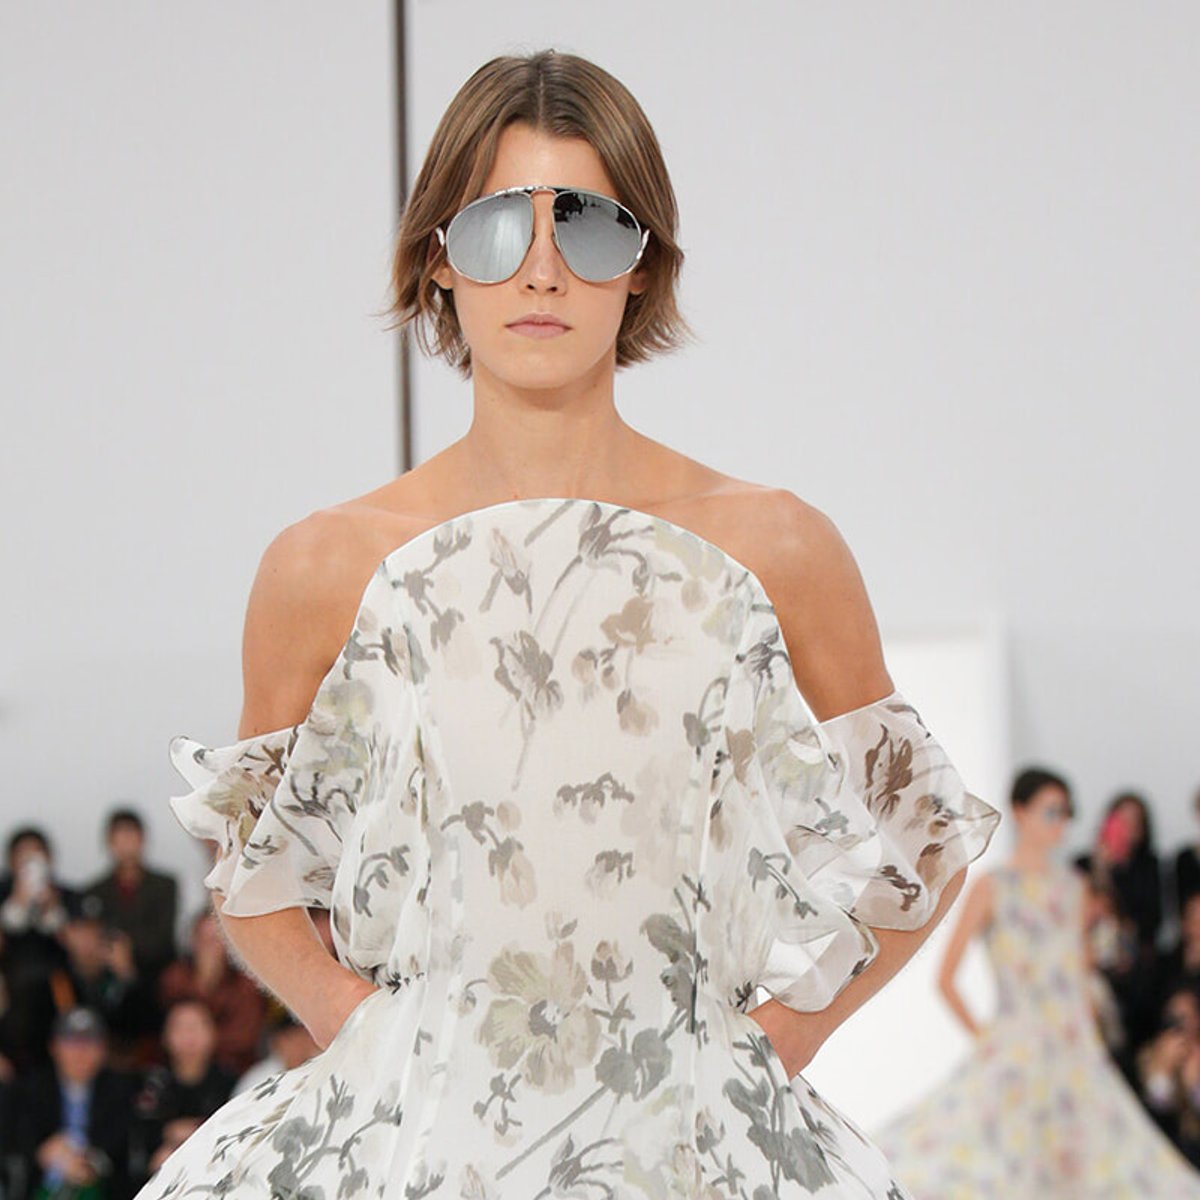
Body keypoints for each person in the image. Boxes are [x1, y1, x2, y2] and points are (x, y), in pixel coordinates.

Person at [134, 49, 1000, 1198]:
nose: (542, 270)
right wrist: (357, 1025)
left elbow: (925, 839)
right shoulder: (326, 564)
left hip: (693, 1147)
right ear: (439, 255)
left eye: (587, 226)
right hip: (414, 1147)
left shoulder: (773, 547)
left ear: (643, 265)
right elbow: (248, 865)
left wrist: (780, 1043)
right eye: (499, 226)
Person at [874, 766, 1200, 1197]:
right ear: (1020, 811)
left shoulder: (1074, 887)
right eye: (1051, 811)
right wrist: (985, 1037)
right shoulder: (993, 887)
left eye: (1065, 813)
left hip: (1073, 1045)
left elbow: (1079, 973)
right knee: (993, 1158)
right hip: (1018, 1043)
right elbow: (946, 979)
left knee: (1091, 1164)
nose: (1060, 823)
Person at [9, 1007, 137, 1199]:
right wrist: (43, 1151)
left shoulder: (122, 1090)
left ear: (104, 1050)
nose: (81, 1052)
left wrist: (88, 1162)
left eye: (90, 1042)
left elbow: (123, 1143)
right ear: (53, 1047)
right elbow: (17, 1135)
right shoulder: (29, 1089)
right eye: (71, 1042)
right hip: (42, 1186)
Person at [83, 809, 179, 984]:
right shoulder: (95, 891)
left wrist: (126, 945)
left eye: (131, 836)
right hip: (108, 976)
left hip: (157, 973)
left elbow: (163, 937)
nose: (126, 844)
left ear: (142, 840)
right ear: (109, 842)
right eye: (119, 838)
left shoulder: (165, 885)